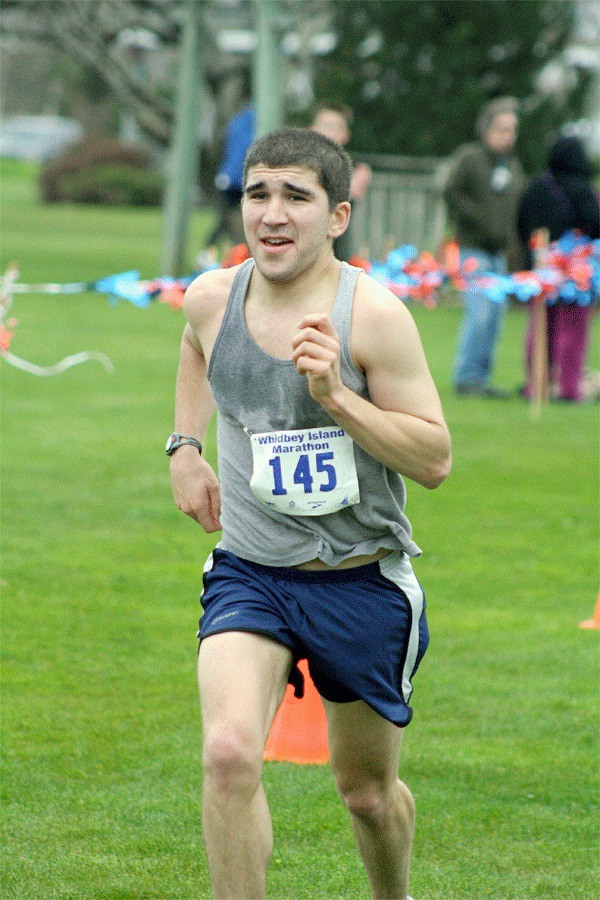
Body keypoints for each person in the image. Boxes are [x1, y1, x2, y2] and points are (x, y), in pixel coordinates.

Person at [168, 127, 451, 900]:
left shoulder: (374, 317)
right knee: (229, 755)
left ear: (337, 217)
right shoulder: (212, 298)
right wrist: (185, 446)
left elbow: (433, 460)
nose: (272, 213)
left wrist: (337, 397)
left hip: (360, 581)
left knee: (366, 793)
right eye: (258, 194)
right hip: (252, 571)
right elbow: (194, 347)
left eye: (296, 196)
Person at [444, 97, 526, 397]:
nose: (508, 136)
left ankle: (481, 378)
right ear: (487, 129)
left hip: (499, 253)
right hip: (473, 250)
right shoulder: (470, 158)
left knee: (494, 317)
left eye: (512, 130)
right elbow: (451, 192)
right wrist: (479, 220)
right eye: (502, 129)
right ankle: (467, 377)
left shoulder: (513, 167)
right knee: (479, 314)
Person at [517, 135, 600, 402]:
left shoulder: (537, 187)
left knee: (540, 327)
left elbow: (522, 222)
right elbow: (595, 224)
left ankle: (536, 384)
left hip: (541, 265)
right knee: (572, 330)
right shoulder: (583, 189)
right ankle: (568, 388)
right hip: (574, 272)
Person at [310, 102, 372, 260]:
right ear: (312, 129)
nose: (329, 133)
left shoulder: (356, 170)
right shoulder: (299, 167)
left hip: (337, 251)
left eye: (336, 127)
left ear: (346, 135)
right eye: (325, 126)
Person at [206, 101, 256, 249]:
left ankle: (220, 249)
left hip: (229, 178)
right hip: (235, 180)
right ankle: (220, 249)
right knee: (228, 219)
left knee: (228, 219)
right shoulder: (249, 123)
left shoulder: (238, 122)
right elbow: (239, 152)